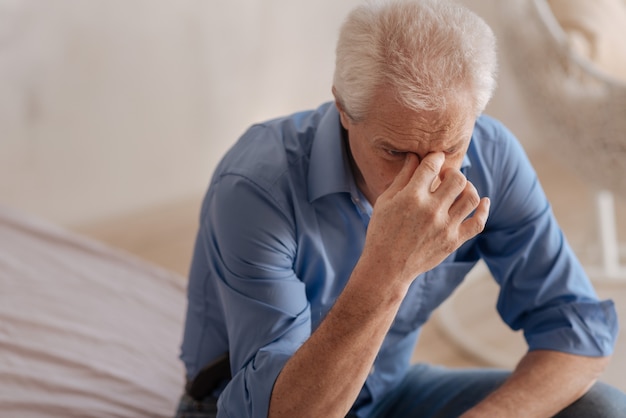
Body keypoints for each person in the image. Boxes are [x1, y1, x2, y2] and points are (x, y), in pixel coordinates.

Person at [176, 0, 625, 416]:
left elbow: (577, 328)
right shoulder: (256, 187)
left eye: (451, 147)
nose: (424, 180)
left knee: (602, 408)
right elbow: (282, 412)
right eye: (394, 152)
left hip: (385, 393)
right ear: (343, 108)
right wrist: (389, 268)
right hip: (258, 404)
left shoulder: (492, 155)